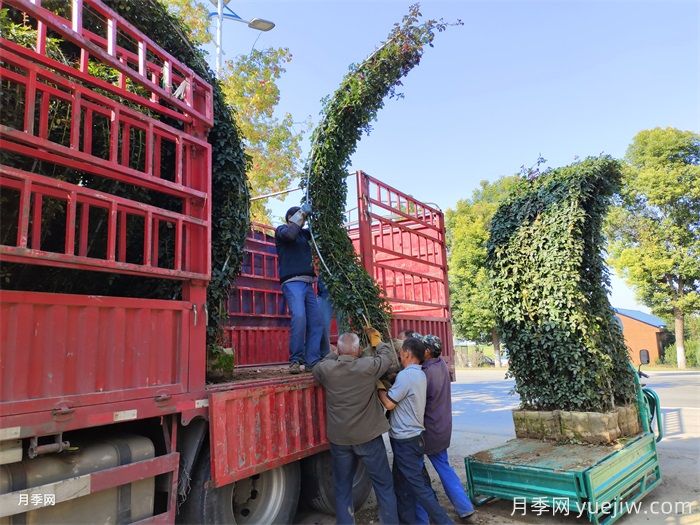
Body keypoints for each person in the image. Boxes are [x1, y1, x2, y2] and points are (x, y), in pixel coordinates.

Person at [312, 329, 400, 525]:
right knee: (384, 486)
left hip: (340, 440)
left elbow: (318, 366)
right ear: (359, 350)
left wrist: (335, 353)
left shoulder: (327, 370)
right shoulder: (367, 366)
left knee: (342, 487)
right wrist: (377, 341)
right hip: (368, 438)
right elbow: (386, 357)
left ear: (340, 351)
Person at [378, 337, 453, 525]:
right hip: (411, 439)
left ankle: (444, 522)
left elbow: (388, 403)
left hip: (406, 441)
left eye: (401, 351)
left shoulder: (406, 376)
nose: (399, 354)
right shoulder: (419, 373)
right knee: (402, 486)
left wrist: (378, 386)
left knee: (420, 488)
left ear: (408, 353)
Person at [415, 335, 475, 523]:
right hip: (442, 428)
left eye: (421, 348)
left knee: (416, 474)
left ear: (427, 352)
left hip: (428, 432)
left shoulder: (425, 374)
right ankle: (465, 508)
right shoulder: (441, 365)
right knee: (444, 468)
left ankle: (423, 517)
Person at [275, 205, 323, 374]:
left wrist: (318, 212)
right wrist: (302, 212)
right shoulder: (282, 231)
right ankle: (295, 360)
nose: (302, 218)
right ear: (290, 218)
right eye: (298, 215)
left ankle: (312, 361)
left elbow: (320, 232)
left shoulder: (304, 234)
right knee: (300, 317)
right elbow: (290, 234)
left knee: (316, 322)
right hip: (292, 282)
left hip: (308, 284)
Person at [317, 277, 334, 358]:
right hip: (324, 294)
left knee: (344, 327)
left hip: (343, 292)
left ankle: (345, 354)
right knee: (323, 327)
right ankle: (324, 355)